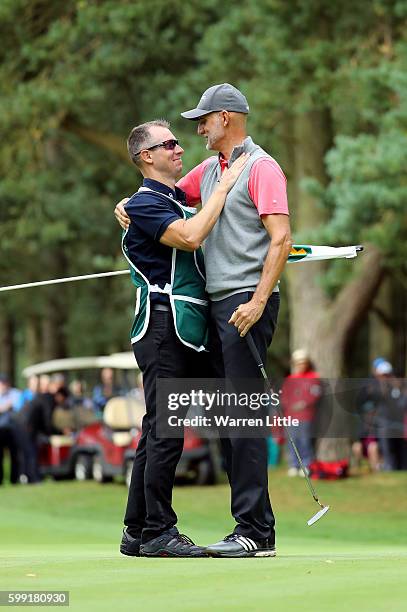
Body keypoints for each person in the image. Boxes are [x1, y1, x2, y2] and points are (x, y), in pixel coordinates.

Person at [116, 84, 292, 558]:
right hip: (207, 312)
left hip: (242, 304)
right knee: (181, 421)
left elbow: (281, 239)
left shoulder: (262, 167)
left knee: (240, 417)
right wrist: (127, 205)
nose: (193, 133)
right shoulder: (211, 171)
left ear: (227, 118)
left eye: (203, 121)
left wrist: (257, 301)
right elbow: (171, 206)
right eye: (172, 140)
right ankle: (145, 530)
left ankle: (255, 532)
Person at [118, 118, 248, 558]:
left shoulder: (168, 199)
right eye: (167, 143)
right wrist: (224, 187)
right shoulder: (146, 204)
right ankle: (158, 532)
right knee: (166, 432)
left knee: (158, 429)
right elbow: (191, 237)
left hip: (185, 330)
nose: (178, 148)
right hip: (160, 328)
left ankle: (136, 531)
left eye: (176, 141)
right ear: (145, 157)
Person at [281, 349, 321, 476]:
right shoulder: (290, 379)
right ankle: (293, 465)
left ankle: (306, 465)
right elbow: (284, 397)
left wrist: (303, 404)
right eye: (298, 363)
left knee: (305, 441)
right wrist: (288, 405)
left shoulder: (313, 378)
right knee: (292, 441)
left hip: (306, 415)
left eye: (303, 362)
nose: (301, 365)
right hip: (290, 416)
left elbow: (315, 395)